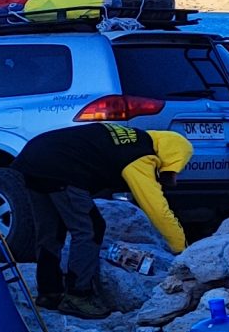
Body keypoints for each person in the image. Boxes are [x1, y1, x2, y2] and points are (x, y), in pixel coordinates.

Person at [11, 122, 193, 316]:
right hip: (62, 168)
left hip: (34, 156)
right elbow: (158, 210)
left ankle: (49, 293)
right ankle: (78, 295)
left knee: (51, 231)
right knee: (91, 228)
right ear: (172, 155)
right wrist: (182, 250)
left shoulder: (134, 139)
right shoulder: (140, 157)